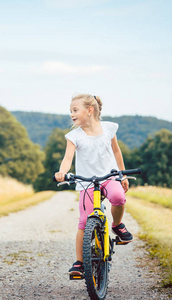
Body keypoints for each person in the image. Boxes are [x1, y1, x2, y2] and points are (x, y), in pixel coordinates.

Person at [54, 93, 133, 277]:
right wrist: (62, 172)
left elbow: (116, 151)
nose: (71, 114)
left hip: (109, 177)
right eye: (70, 111)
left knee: (119, 197)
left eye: (75, 110)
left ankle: (117, 225)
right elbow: (67, 159)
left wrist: (122, 174)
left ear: (90, 110)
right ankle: (80, 262)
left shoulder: (108, 129)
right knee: (83, 221)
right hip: (86, 182)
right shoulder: (74, 136)